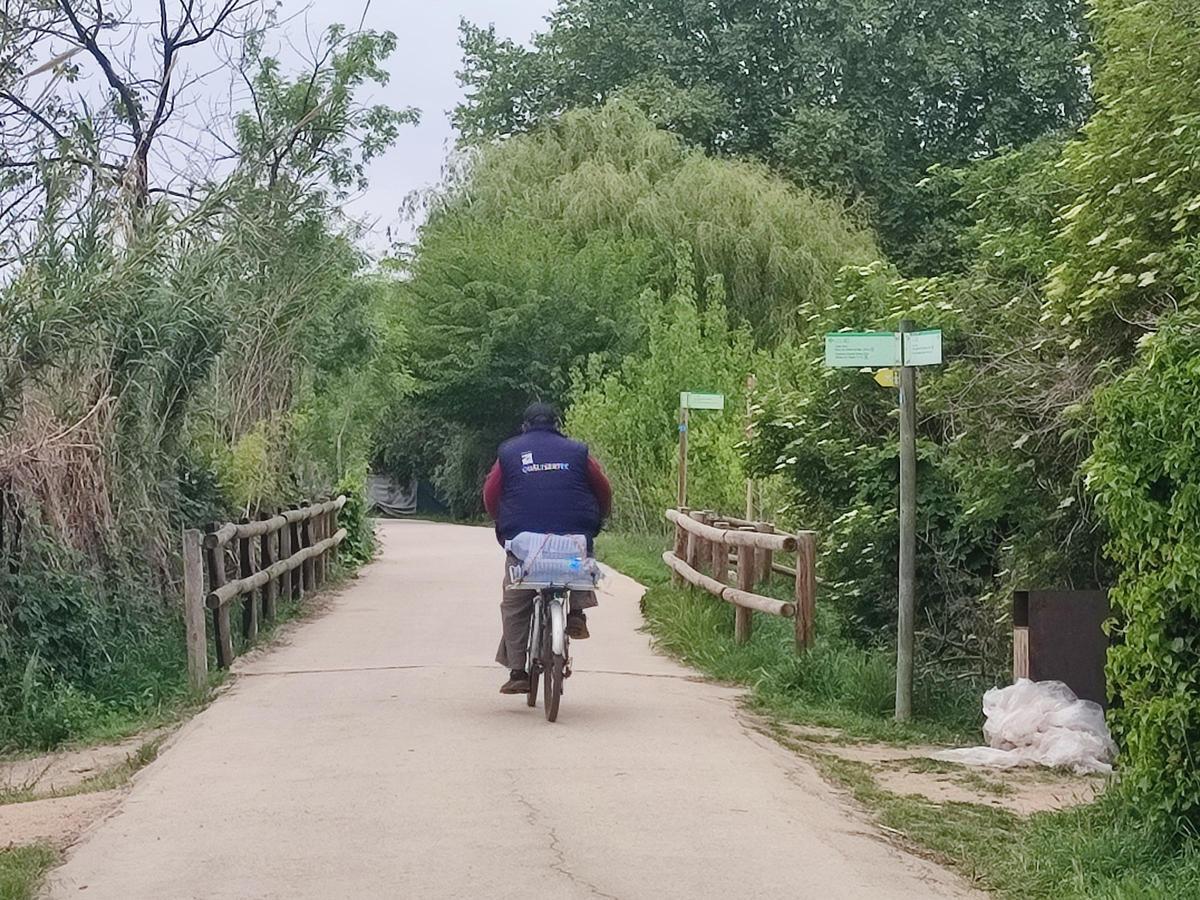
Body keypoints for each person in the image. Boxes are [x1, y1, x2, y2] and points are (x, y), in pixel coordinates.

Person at [483, 402, 612, 695]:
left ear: (525, 426)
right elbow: (603, 489)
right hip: (573, 535)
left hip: (524, 540)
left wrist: (502, 523)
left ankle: (518, 671)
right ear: (557, 424)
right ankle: (577, 612)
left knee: (515, 601)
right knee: (578, 556)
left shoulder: (509, 452)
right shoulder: (578, 452)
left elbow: (491, 495)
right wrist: (596, 519)